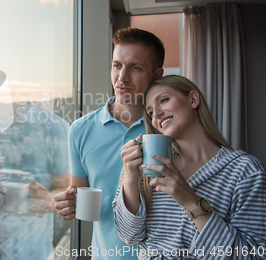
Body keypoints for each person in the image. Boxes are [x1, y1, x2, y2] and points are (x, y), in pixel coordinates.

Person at [113, 75, 266, 259]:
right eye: (151, 112)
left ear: (193, 99)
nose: (157, 114)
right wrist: (130, 179)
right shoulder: (149, 168)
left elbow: (254, 256)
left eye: (163, 100)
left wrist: (193, 203)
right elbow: (129, 236)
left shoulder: (245, 171)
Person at [54, 28, 165, 259]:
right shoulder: (80, 130)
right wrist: (69, 203)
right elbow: (80, 193)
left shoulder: (167, 127)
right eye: (117, 65)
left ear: (156, 75)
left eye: (135, 67)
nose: (122, 77)